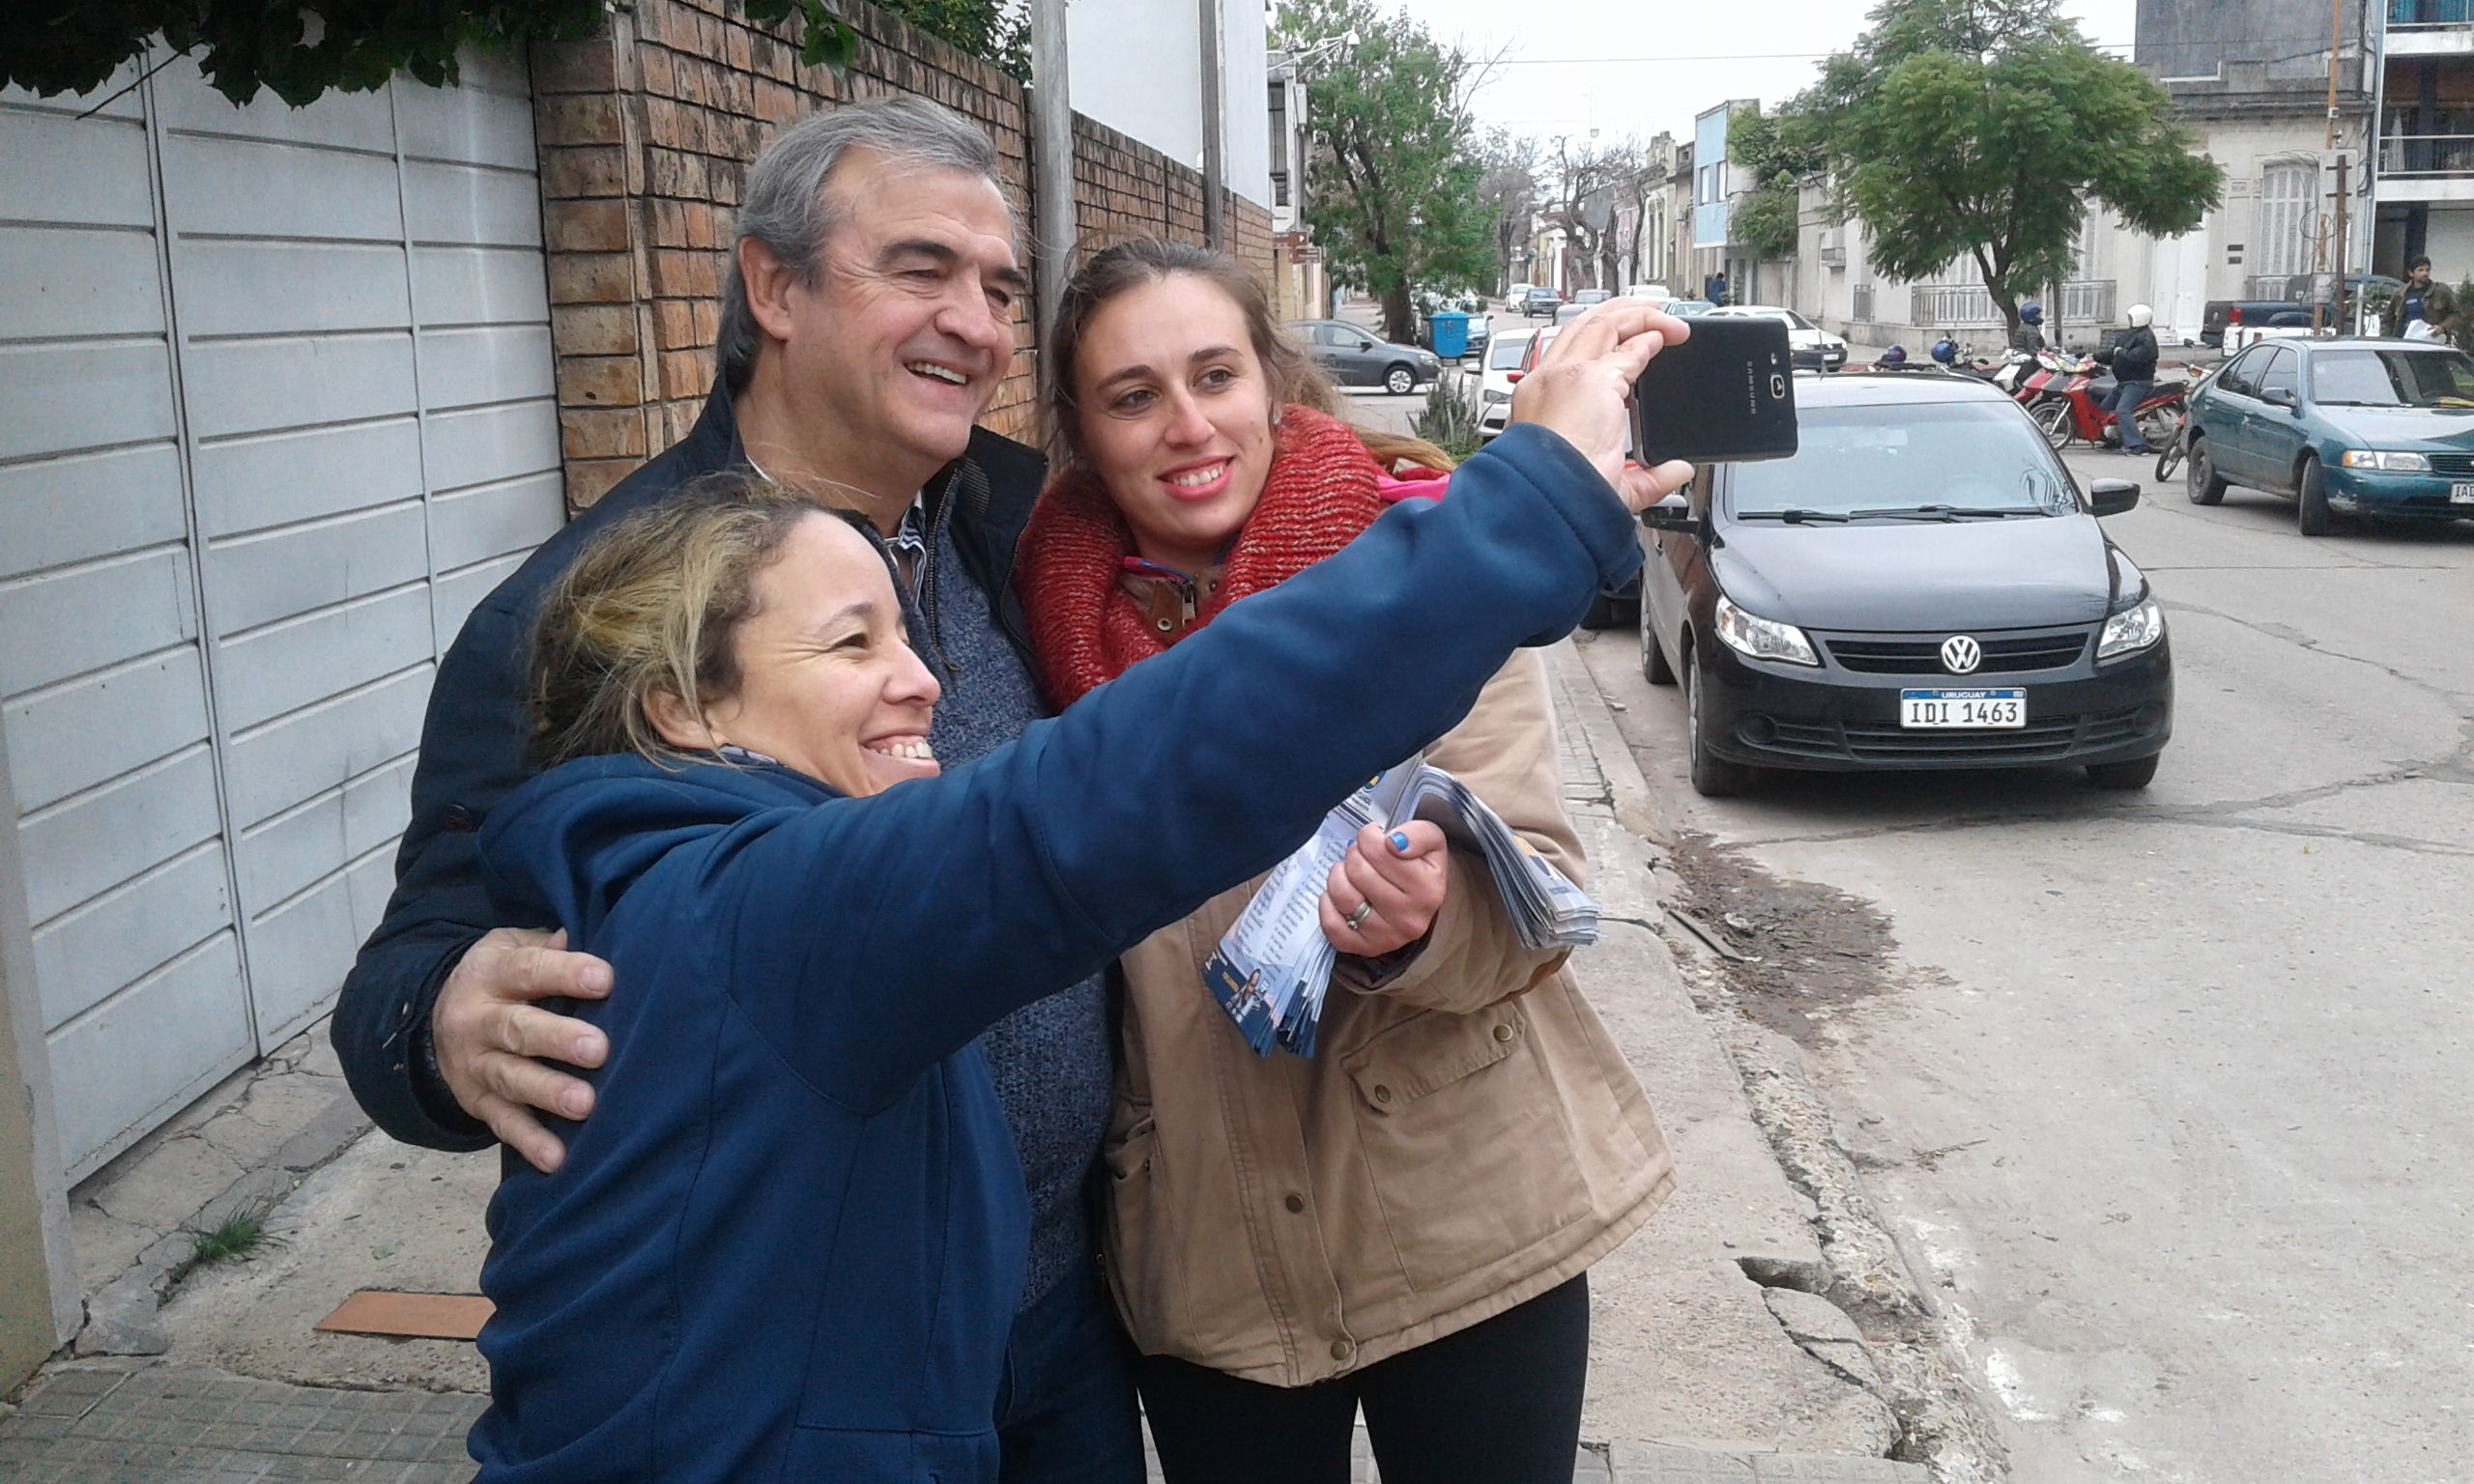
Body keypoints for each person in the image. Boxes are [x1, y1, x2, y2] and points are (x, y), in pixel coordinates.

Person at [467, 305, 1693, 1481]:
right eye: (850, 646)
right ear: (680, 708)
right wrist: (1529, 493)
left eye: (906, 637)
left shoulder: (641, 876)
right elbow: (1135, 779)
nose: (923, 686)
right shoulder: (767, 911)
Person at [331, 98, 1140, 1479]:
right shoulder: (587, 611)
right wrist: (442, 1014)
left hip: (1059, 1321)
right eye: (921, 270)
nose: (979, 323)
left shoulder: (1018, 521)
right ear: (773, 286)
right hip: (801, 1361)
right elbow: (401, 975)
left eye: (999, 286)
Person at [1013, 240, 1675, 1484]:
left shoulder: (1426, 558)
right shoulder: (1024, 620)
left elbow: (1539, 878)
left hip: (1463, 1214)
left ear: (1272, 381)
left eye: (1215, 375)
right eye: (1132, 396)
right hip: (1209, 1241)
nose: (1186, 425)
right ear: (1081, 431)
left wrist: (1430, 917)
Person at [2105, 303, 2161, 456]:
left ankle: (2137, 445)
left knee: (2122, 410)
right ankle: (2113, 438)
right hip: (2124, 381)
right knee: (2103, 405)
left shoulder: (2147, 338)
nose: (2129, 320)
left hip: (2137, 382)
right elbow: (2114, 351)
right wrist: (2092, 357)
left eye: (2131, 318)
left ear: (2138, 318)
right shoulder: (2131, 334)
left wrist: (2120, 352)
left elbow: (2136, 357)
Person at [2382, 254, 2462, 342]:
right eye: (2420, 270)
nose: (2425, 273)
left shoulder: (2441, 291)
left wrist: (2443, 327)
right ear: (2411, 273)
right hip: (2403, 342)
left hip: (2431, 342)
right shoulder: (2400, 294)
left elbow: (2457, 314)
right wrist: (2386, 341)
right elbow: (2387, 321)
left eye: (2427, 270)